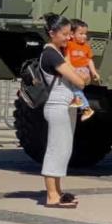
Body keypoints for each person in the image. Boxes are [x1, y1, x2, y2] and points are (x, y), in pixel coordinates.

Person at [40, 14, 88, 209]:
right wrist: (81, 76)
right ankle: (51, 195)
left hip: (65, 105)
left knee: (64, 149)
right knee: (56, 149)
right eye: (65, 34)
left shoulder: (59, 52)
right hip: (56, 106)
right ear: (52, 33)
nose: (69, 38)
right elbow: (78, 81)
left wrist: (82, 76)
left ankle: (58, 191)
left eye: (70, 34)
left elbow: (80, 79)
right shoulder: (50, 54)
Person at [65, 19, 99, 121]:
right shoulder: (69, 44)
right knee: (75, 88)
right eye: (81, 34)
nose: (84, 36)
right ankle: (81, 103)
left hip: (82, 70)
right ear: (72, 34)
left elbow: (89, 60)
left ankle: (84, 107)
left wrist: (94, 72)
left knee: (74, 86)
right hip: (74, 69)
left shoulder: (86, 47)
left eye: (85, 34)